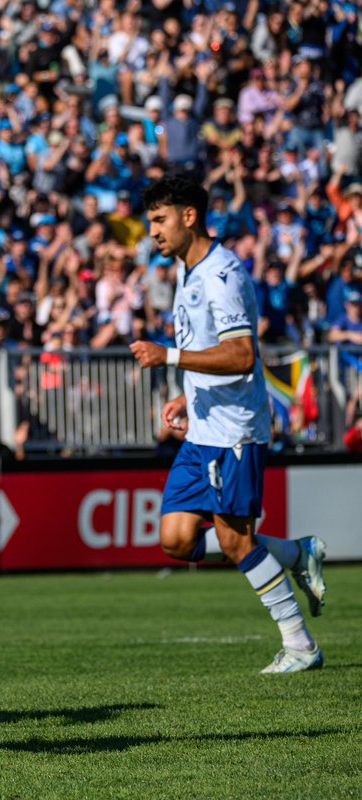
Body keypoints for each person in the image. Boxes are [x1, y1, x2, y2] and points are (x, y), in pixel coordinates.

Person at [129, 176, 327, 674]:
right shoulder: (187, 271)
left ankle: (300, 644)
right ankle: (294, 552)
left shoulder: (223, 275)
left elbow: (241, 355)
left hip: (234, 432)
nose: (152, 231)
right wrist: (189, 397)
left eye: (159, 220)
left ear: (189, 216)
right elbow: (214, 349)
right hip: (204, 427)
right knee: (176, 538)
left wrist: (169, 356)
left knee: (237, 541)